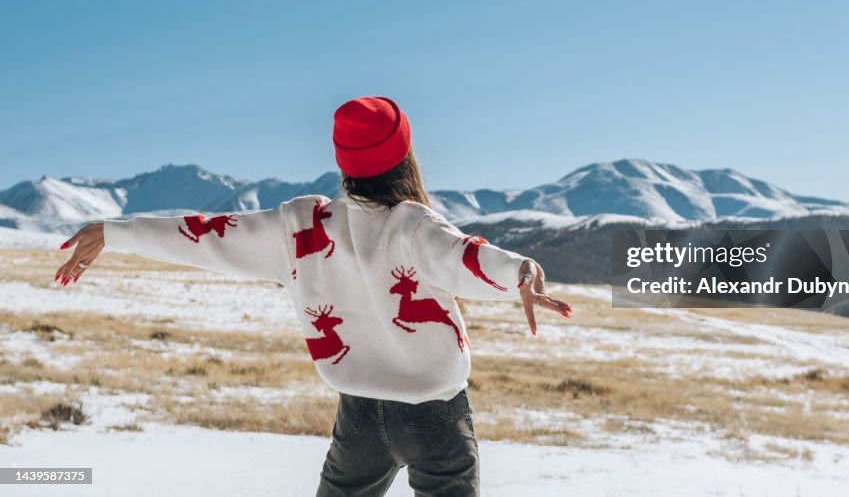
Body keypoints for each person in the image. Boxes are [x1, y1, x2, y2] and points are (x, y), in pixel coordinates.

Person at [55, 96, 573, 497]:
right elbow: (468, 256)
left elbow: (209, 234)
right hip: (438, 416)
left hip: (360, 419)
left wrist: (117, 232)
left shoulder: (297, 226)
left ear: (344, 160)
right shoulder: (415, 228)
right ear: (405, 157)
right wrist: (522, 273)